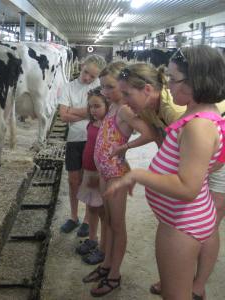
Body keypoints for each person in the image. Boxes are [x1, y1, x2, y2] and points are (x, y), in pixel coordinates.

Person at [108, 45, 225, 299]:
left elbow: (188, 188)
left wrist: (138, 175)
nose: (168, 85)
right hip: (181, 219)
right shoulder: (198, 116)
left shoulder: (199, 126)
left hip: (183, 224)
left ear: (197, 81)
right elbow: (209, 165)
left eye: (173, 79)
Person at [82, 61, 155, 297]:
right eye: (102, 87)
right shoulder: (112, 106)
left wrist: (126, 147)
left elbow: (149, 133)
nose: (106, 92)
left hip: (116, 175)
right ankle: (106, 267)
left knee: (117, 225)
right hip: (105, 173)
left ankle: (114, 276)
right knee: (110, 223)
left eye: (110, 86)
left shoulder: (123, 109)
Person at [58, 54, 106, 237]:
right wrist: (88, 113)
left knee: (89, 181)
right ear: (82, 65)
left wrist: (73, 110)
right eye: (86, 72)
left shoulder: (99, 89)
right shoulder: (69, 87)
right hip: (74, 139)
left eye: (92, 76)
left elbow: (97, 115)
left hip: (93, 139)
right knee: (73, 180)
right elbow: (63, 116)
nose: (87, 78)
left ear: (97, 77)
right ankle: (73, 216)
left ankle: (87, 219)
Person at [75, 87, 109, 266]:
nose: (93, 110)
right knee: (91, 208)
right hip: (88, 171)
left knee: (102, 211)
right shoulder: (91, 123)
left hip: (99, 174)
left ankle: (103, 248)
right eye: (90, 107)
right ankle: (92, 238)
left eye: (97, 106)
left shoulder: (108, 126)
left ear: (107, 105)